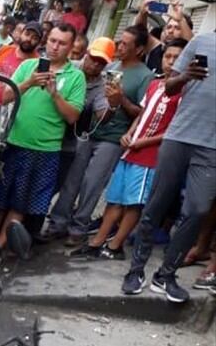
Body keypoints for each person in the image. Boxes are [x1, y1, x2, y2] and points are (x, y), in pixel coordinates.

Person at [0, 24, 85, 260]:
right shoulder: (28, 66)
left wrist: (54, 93)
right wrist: (28, 83)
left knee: (21, 202)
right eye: (53, 40)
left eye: (62, 43)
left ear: (71, 46)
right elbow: (3, 97)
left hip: (45, 149)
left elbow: (72, 116)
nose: (55, 46)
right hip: (14, 141)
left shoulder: (76, 76)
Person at [72, 38, 187, 260]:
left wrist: (142, 142)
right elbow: (143, 115)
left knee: (133, 203)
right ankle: (97, 242)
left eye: (177, 58)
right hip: (131, 149)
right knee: (115, 199)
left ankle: (115, 247)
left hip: (150, 156)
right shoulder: (155, 84)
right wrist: (130, 133)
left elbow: (174, 130)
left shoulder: (185, 92)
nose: (171, 62)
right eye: (168, 56)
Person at [122, 32, 216, 303]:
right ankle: (136, 270)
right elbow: (170, 87)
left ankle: (166, 275)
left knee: (197, 210)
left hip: (211, 147)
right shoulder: (200, 41)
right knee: (156, 204)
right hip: (178, 136)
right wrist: (186, 75)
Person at [48, 24, 153, 245]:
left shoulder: (145, 76)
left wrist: (120, 100)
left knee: (92, 182)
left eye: (126, 44)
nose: (120, 47)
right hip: (89, 132)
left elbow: (144, 113)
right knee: (72, 179)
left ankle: (78, 226)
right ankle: (58, 223)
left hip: (113, 137)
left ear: (140, 49)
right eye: (120, 42)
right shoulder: (110, 65)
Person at [29, 37, 114, 239]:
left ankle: (55, 225)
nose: (95, 64)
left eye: (101, 62)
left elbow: (102, 114)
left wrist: (114, 104)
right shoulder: (69, 69)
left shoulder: (101, 84)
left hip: (73, 139)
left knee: (68, 182)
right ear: (86, 54)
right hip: (45, 130)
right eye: (93, 59)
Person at [0, 21, 42, 105]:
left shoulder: (36, 64)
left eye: (34, 38)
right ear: (21, 34)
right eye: (27, 34)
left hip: (7, 113)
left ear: (39, 43)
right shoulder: (5, 50)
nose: (29, 39)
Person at [134, 0, 194, 75]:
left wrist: (181, 19)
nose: (171, 31)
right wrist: (142, 13)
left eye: (177, 28)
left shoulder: (188, 53)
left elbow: (192, 44)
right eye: (169, 27)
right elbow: (140, 32)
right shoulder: (157, 49)